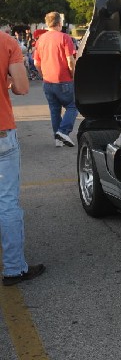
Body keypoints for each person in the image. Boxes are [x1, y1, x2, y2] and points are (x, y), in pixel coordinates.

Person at [0, 30, 46, 286]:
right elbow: (22, 87)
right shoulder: (6, 42)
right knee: (6, 203)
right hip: (1, 132)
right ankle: (14, 269)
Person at [33, 11, 78, 147]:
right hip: (63, 80)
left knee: (54, 110)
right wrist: (73, 75)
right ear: (59, 23)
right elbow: (70, 60)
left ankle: (58, 139)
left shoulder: (40, 40)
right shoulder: (65, 38)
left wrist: (42, 75)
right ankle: (63, 132)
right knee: (73, 106)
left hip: (47, 81)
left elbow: (36, 63)